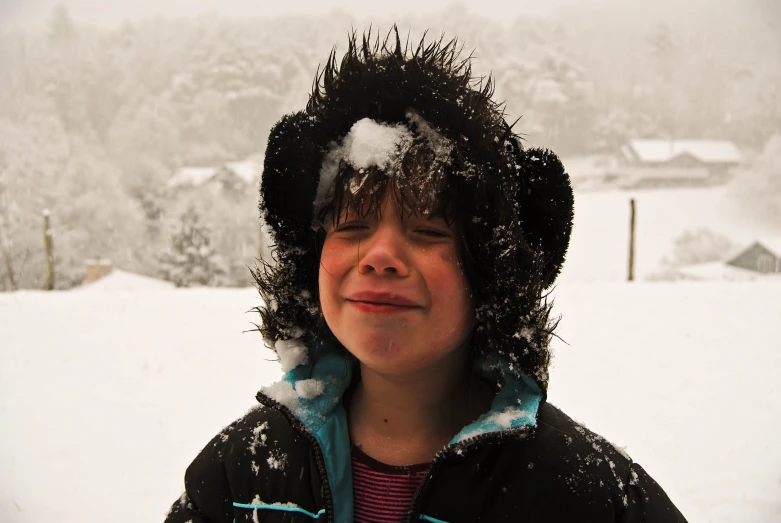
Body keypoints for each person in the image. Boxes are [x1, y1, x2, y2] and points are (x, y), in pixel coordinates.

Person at [165, 29, 687, 523]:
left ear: (488, 274)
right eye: (353, 225)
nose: (381, 254)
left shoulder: (581, 496)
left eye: (427, 230)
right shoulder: (239, 478)